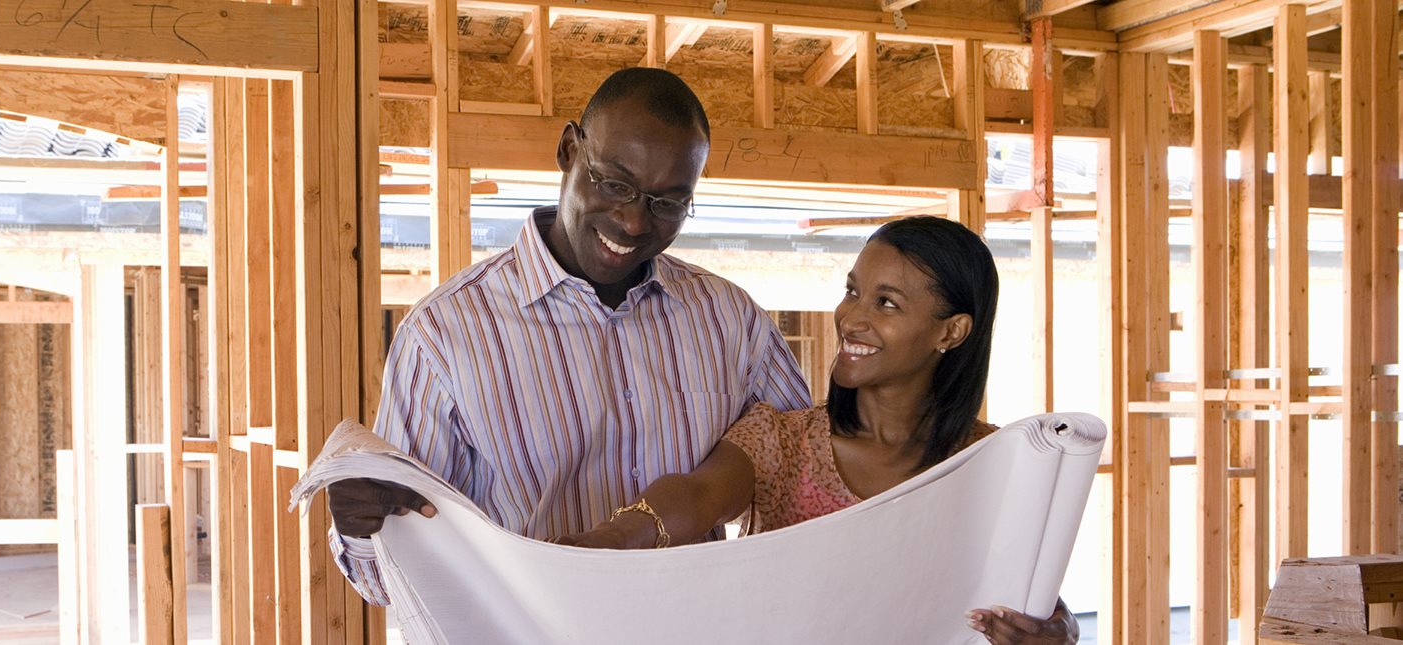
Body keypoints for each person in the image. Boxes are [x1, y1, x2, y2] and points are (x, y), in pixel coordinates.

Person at [324, 67, 813, 605]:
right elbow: (391, 580)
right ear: (567, 149)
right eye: (615, 184)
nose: (632, 221)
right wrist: (360, 528)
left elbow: (803, 476)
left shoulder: (731, 322)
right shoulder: (445, 334)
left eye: (667, 202)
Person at [555, 216, 1079, 644]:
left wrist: (1061, 629)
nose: (851, 317)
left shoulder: (994, 461)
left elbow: (1037, 599)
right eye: (852, 291)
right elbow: (696, 496)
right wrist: (613, 539)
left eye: (886, 302)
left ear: (952, 330)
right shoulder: (784, 439)